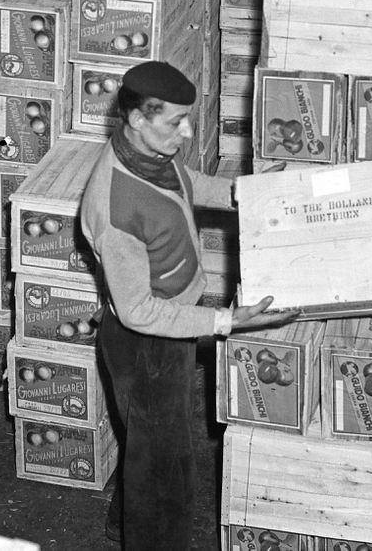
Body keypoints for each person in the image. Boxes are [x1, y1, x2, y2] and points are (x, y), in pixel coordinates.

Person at [79, 61, 297, 549]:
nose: (187, 130)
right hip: (147, 344)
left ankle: (122, 522)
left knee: (149, 443)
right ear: (136, 118)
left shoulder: (151, 154)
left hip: (167, 328)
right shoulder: (117, 205)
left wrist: (247, 192)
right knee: (165, 467)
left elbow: (189, 183)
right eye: (175, 121)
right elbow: (138, 312)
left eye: (188, 117)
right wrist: (226, 320)